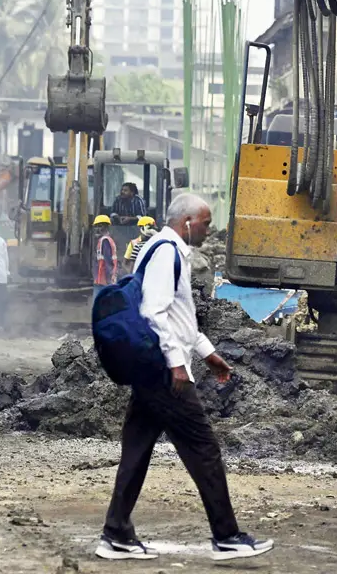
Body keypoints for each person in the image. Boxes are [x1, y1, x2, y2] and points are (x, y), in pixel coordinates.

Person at [96, 193, 273, 563]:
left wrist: (208, 355)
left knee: (137, 451)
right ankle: (226, 536)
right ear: (188, 221)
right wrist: (178, 364)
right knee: (204, 449)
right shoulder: (166, 252)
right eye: (206, 223)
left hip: (153, 369)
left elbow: (181, 315)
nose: (209, 230)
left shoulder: (167, 249)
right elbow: (154, 312)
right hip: (164, 372)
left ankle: (116, 534)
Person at [93, 214, 118, 298]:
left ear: (106, 227)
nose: (96, 229)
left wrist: (109, 282)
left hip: (103, 280)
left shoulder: (105, 241)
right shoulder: (103, 240)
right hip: (100, 280)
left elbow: (108, 262)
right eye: (95, 227)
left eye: (99, 226)